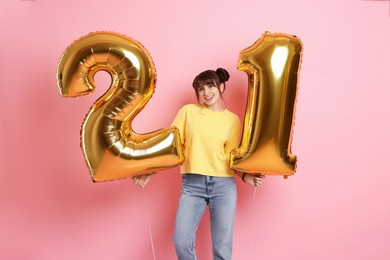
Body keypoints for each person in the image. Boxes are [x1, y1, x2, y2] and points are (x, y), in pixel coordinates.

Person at [132, 68, 264, 260]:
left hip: (223, 187)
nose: (206, 92)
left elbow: (231, 156)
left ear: (221, 86)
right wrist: (150, 172)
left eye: (210, 86)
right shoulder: (188, 112)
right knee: (181, 240)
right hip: (192, 185)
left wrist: (246, 176)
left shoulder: (232, 120)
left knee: (222, 246)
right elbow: (173, 148)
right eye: (200, 88)